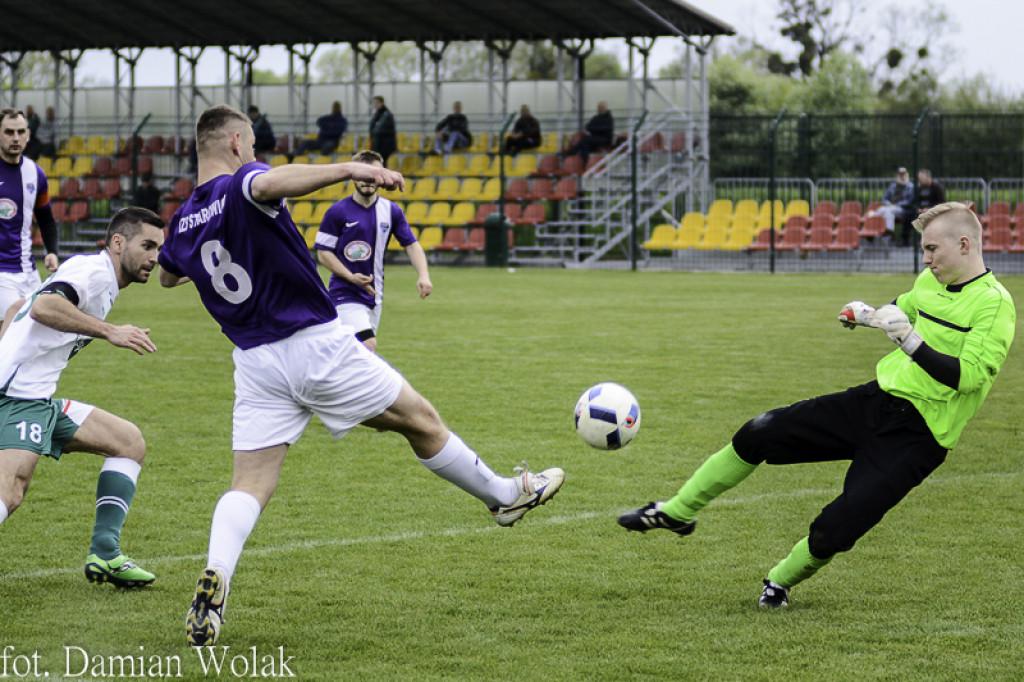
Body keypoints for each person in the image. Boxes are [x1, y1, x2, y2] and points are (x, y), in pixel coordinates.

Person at [158, 105, 564, 646]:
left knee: (249, 483)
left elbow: (165, 275)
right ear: (235, 143)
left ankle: (218, 573)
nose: (254, 153)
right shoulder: (243, 182)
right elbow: (270, 182)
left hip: (255, 364)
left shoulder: (183, 220)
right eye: (252, 144)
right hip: (315, 344)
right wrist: (351, 168)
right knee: (420, 419)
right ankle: (503, 495)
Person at [618, 201, 1014, 609]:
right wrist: (865, 315)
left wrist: (909, 341)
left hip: (919, 438)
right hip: (873, 402)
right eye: (925, 250)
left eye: (932, 249)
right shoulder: (929, 282)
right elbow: (901, 310)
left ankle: (778, 582)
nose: (926, 258)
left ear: (964, 244)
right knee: (759, 432)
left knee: (834, 531)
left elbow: (968, 378)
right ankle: (678, 511)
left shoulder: (994, 304)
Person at [0, 206, 166, 588]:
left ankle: (105, 554)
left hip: (38, 399)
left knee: (128, 442)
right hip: (18, 398)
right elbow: (44, 306)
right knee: (11, 490)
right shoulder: (93, 272)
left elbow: (18, 306)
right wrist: (109, 331)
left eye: (158, 248)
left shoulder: (102, 278)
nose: (154, 258)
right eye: (147, 245)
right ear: (118, 242)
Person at [315, 149, 432, 353]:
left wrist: (423, 275)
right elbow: (323, 253)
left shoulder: (391, 211)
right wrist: (350, 276)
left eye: (374, 175)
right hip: (344, 294)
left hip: (375, 295)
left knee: (352, 356)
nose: (368, 180)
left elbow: (412, 244)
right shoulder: (337, 211)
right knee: (367, 345)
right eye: (363, 175)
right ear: (353, 176)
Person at [0, 108, 60, 326]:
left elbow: (46, 219)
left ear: (28, 134)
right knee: (9, 339)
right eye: (8, 132)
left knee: (35, 337)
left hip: (29, 272)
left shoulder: (36, 173)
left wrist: (52, 251)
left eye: (20, 131)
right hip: (1, 274)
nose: (15, 138)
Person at [869, 167, 915, 245]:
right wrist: (888, 204)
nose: (902, 176)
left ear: (907, 175)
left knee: (886, 211)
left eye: (904, 174)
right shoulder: (892, 186)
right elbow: (884, 198)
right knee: (884, 210)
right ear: (897, 176)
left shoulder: (911, 187)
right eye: (900, 175)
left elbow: (909, 201)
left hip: (903, 209)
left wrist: (895, 205)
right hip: (891, 208)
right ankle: (889, 232)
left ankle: (883, 230)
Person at [559, 101, 614, 166]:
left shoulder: (609, 119)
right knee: (585, 146)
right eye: (599, 108)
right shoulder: (596, 118)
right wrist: (596, 129)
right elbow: (588, 126)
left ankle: (571, 152)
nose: (600, 109)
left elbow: (603, 129)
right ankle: (584, 165)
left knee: (585, 139)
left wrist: (594, 129)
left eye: (602, 107)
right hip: (595, 139)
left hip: (605, 140)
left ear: (606, 108)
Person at [369, 96, 397, 164]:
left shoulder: (386, 116)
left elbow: (381, 130)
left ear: (381, 103)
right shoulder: (378, 114)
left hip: (384, 145)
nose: (374, 105)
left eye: (376, 103)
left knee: (382, 162)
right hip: (378, 144)